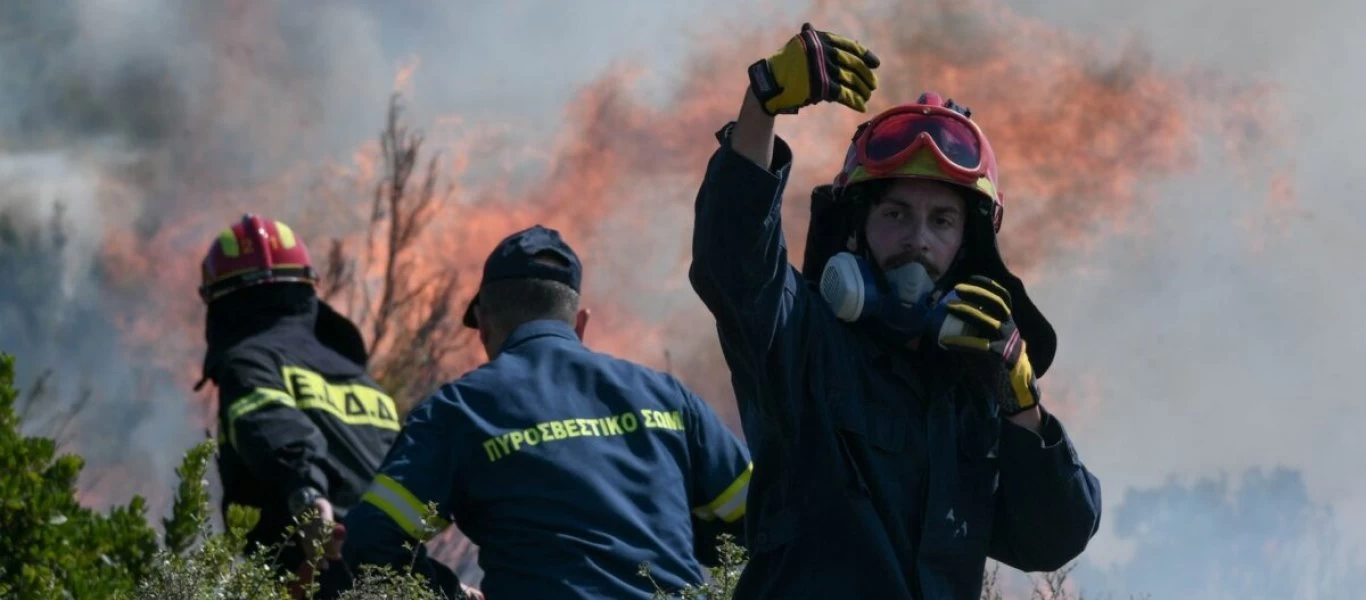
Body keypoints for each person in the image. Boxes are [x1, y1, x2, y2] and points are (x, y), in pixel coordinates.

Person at [687, 23, 1103, 599]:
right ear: (856, 231)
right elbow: (732, 263)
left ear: (968, 245)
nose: (918, 240)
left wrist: (1022, 406)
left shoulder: (977, 395)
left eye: (942, 220)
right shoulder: (800, 340)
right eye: (896, 214)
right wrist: (763, 103)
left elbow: (1052, 539)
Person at [338, 225, 754, 599]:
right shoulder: (666, 396)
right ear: (581, 322)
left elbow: (372, 538)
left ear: (482, 325)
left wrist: (450, 593)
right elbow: (762, 517)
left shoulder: (458, 411)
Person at [196, 214, 401, 592]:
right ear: (306, 289)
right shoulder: (364, 382)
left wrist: (308, 496)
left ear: (220, 305)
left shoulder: (247, 363)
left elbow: (275, 428)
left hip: (315, 574)